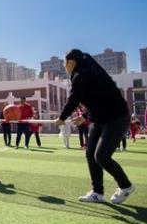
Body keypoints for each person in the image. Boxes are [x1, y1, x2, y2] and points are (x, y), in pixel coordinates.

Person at [56, 49, 135, 204]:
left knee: (102, 156)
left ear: (72, 62)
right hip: (100, 119)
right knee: (91, 153)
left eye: (64, 63)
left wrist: (61, 118)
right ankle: (97, 192)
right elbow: (97, 99)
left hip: (116, 118)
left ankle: (126, 186)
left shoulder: (81, 74)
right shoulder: (86, 73)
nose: (64, 66)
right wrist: (84, 116)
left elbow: (74, 99)